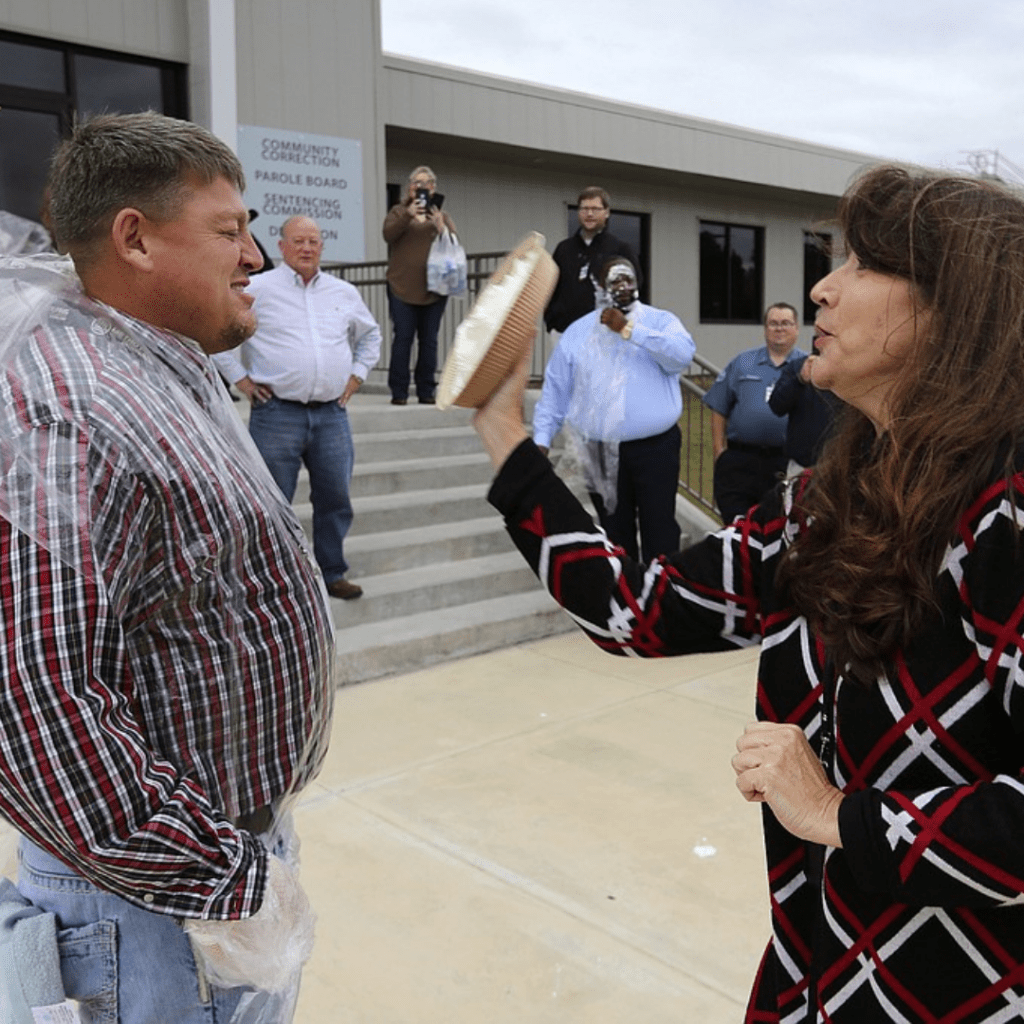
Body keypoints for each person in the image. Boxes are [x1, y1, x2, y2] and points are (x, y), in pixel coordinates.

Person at [473, 164, 1024, 1022]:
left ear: (956, 309)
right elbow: (634, 610)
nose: (822, 289)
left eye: (868, 265)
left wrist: (841, 815)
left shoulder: (1004, 512)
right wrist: (504, 429)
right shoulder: (822, 505)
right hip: (816, 970)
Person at [0, 112, 335, 1023]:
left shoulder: (149, 365)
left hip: (202, 872)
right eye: (229, 231)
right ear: (135, 239)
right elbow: (37, 706)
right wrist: (227, 882)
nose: (256, 257)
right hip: (149, 909)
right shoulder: (69, 413)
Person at [213, 214, 381, 601]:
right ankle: (268, 577)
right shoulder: (258, 287)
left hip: (331, 415)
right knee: (271, 499)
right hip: (277, 414)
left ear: (322, 246)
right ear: (282, 247)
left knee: (335, 497)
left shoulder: (343, 292)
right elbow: (220, 331)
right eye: (298, 241)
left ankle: (332, 571)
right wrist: (240, 379)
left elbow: (370, 336)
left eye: (313, 241)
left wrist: (356, 376)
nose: (307, 248)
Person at [532, 257, 695, 560]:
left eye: (627, 279)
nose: (622, 286)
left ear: (637, 282)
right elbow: (555, 392)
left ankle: (663, 588)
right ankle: (626, 589)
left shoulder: (660, 321)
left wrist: (630, 329)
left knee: (660, 530)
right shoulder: (577, 333)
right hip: (599, 451)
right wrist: (541, 440)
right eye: (614, 281)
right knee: (614, 534)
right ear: (599, 287)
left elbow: (682, 356)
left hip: (655, 448)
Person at [703, 302, 806, 522]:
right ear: (765, 329)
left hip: (785, 463)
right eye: (773, 323)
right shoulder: (743, 362)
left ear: (797, 328)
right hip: (740, 461)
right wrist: (719, 451)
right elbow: (719, 406)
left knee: (780, 525)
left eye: (786, 323)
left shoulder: (806, 367)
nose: (779, 328)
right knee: (736, 524)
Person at [382, 165, 457, 405]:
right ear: (409, 187)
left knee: (429, 340)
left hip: (435, 289)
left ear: (433, 188)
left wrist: (441, 227)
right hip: (402, 286)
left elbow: (454, 243)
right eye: (416, 182)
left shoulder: (441, 215)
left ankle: (426, 390)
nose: (421, 187)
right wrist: (408, 214)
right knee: (403, 337)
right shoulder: (398, 211)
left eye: (426, 183)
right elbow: (388, 235)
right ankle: (399, 391)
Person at [543, 186, 641, 335]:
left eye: (595, 209)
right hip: (564, 333)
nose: (589, 214)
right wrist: (551, 322)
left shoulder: (620, 249)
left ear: (606, 212)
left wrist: (621, 322)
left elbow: (634, 290)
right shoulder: (564, 249)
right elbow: (550, 288)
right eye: (585, 209)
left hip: (605, 334)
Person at [768, 344, 843, 472]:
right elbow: (777, 406)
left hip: (842, 463)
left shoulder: (853, 368)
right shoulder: (798, 366)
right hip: (801, 464)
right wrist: (799, 380)